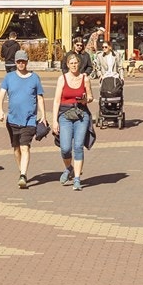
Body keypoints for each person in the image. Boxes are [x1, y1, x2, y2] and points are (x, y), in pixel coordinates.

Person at [0, 49, 47, 190]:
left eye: (23, 61)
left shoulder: (35, 78)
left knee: (25, 147)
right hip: (12, 119)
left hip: (29, 119)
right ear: (15, 62)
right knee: (16, 148)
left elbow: (40, 97)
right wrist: (0, 111)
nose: (21, 64)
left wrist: (43, 115)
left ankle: (23, 175)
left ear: (27, 62)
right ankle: (21, 171)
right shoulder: (9, 77)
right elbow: (1, 96)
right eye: (18, 61)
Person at [53, 52, 94, 191]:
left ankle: (77, 179)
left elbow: (90, 97)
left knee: (78, 146)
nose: (74, 65)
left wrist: (85, 100)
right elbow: (57, 100)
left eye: (76, 63)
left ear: (79, 64)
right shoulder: (62, 79)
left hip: (81, 115)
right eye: (71, 63)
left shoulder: (85, 78)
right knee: (65, 148)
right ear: (67, 65)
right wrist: (54, 121)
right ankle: (68, 168)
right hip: (65, 115)